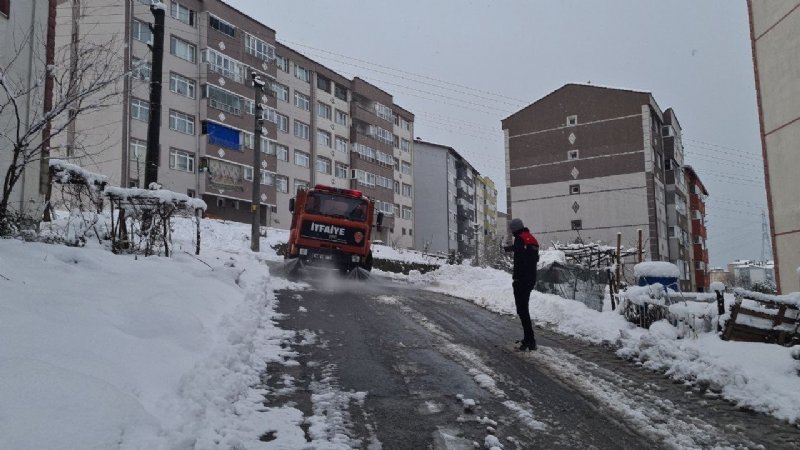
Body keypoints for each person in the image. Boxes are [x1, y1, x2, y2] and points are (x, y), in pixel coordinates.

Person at [504, 218, 540, 351]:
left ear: (514, 229)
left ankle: (530, 340)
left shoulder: (519, 239)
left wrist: (517, 279)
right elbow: (530, 255)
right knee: (524, 309)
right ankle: (529, 339)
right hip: (531, 278)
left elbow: (520, 260)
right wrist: (511, 248)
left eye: (512, 229)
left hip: (521, 280)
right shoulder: (530, 238)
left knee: (522, 310)